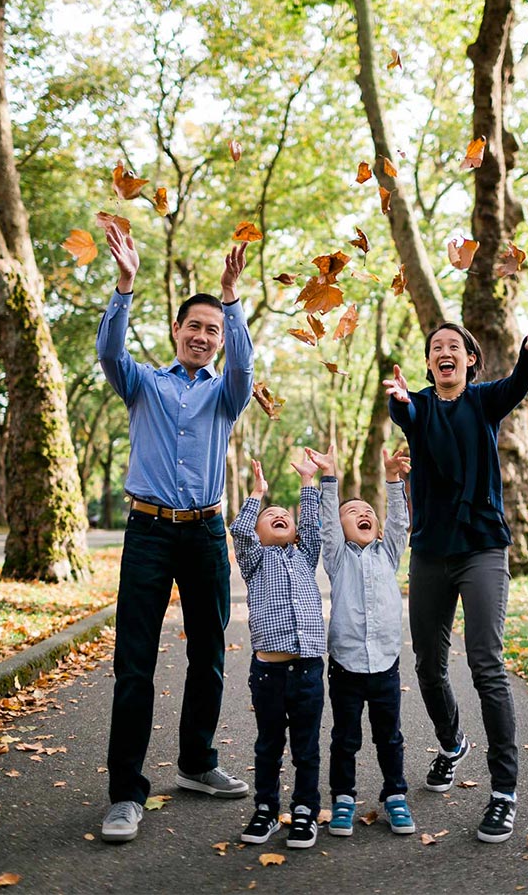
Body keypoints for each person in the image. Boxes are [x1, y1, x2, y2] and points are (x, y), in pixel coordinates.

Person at [94, 225, 255, 843]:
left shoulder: (227, 393)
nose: (203, 336)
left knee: (209, 657)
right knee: (133, 663)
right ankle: (124, 794)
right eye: (196, 326)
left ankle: (197, 763)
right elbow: (110, 354)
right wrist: (124, 286)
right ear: (177, 331)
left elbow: (243, 362)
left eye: (214, 329)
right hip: (149, 532)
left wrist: (231, 297)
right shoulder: (144, 384)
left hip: (207, 536)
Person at [381, 312, 528, 844]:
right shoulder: (420, 405)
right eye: (436, 347)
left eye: (453, 345)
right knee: (428, 667)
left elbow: (518, 385)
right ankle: (452, 743)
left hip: (482, 547)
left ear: (469, 358)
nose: (444, 352)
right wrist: (399, 402)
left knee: (486, 664)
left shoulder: (484, 401)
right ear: (431, 362)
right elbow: (403, 410)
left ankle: (504, 791)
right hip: (430, 552)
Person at [320, 445, 416, 840]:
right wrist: (329, 480)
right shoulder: (337, 558)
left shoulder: (387, 553)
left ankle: (395, 795)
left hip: (386, 667)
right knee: (345, 738)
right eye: (351, 512)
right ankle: (343, 798)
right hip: (346, 666)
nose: (362, 514)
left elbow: (399, 523)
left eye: (368, 513)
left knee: (389, 736)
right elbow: (326, 524)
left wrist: (393, 479)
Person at [231, 455, 327, 849]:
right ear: (258, 533)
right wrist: (257, 494)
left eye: (284, 514)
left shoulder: (305, 555)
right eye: (270, 515)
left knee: (306, 747)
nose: (279, 515)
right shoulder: (255, 560)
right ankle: (266, 809)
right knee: (269, 745)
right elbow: (238, 530)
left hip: (307, 670)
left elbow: (313, 527)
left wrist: (308, 482)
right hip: (268, 673)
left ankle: (304, 810)